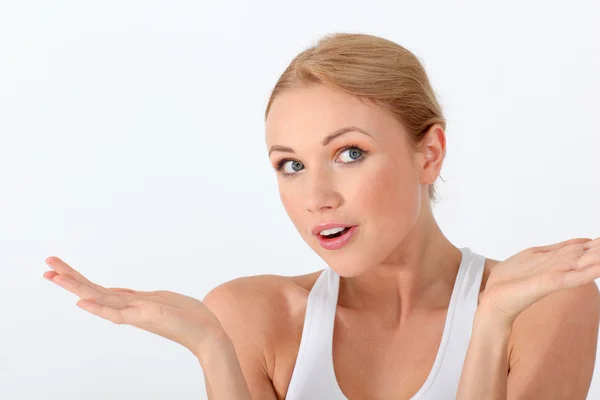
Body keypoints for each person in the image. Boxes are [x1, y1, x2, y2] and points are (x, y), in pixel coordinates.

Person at [43, 32, 600, 399]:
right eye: (290, 165)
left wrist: (490, 323)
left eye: (349, 154)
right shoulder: (256, 316)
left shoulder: (545, 302)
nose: (316, 197)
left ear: (428, 154)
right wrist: (213, 350)